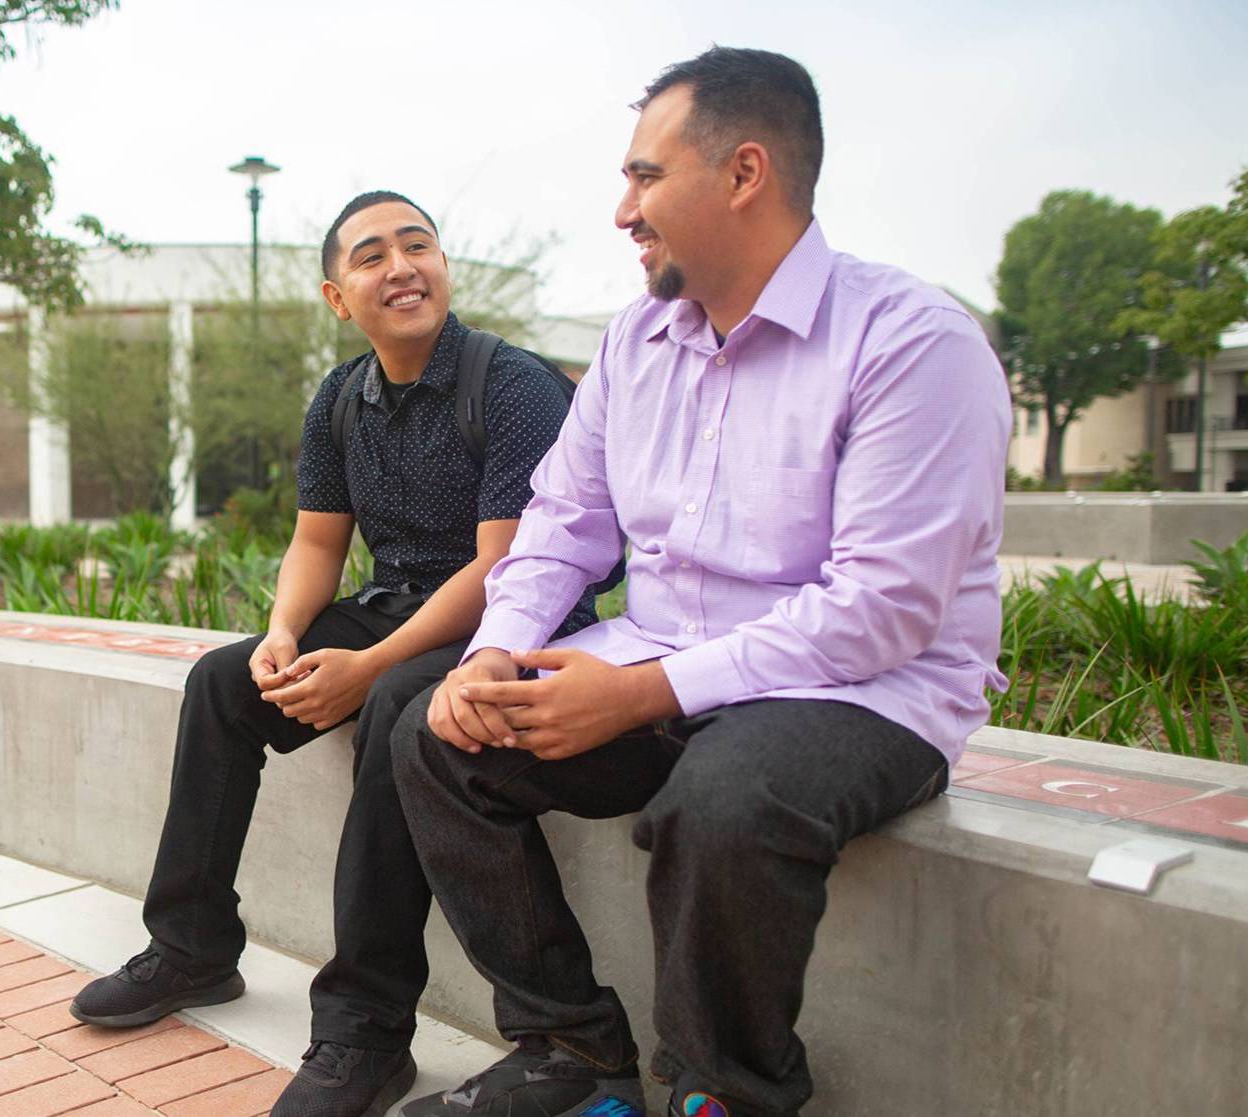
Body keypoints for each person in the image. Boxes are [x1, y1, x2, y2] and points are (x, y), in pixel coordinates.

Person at [392, 47, 1011, 1117]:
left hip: (862, 693)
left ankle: (723, 1092)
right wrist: (497, 648)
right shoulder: (635, 341)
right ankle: (573, 1052)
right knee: (436, 730)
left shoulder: (910, 342)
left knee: (723, 798)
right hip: (661, 655)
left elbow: (884, 608)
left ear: (743, 173)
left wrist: (637, 693)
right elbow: (563, 523)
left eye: (642, 177)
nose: (621, 211)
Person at [69, 189, 596, 1117]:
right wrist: (281, 635)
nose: (400, 266)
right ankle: (191, 945)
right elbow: (317, 545)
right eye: (371, 255)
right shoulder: (341, 399)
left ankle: (365, 1030)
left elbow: (506, 567)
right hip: (399, 606)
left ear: (442, 267)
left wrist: (371, 663)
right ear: (336, 296)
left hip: (512, 626)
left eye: (417, 245)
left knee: (393, 700)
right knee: (224, 683)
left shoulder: (510, 384)